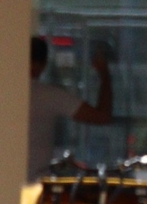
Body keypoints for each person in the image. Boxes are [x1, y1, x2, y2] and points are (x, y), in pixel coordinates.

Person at [29, 35, 115, 174]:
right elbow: (102, 116)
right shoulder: (49, 96)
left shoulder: (5, 94)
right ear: (44, 64)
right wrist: (104, 74)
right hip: (36, 184)